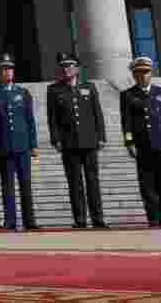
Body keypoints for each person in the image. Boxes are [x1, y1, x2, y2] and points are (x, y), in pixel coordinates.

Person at [46, 52, 109, 229]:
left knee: (92, 182)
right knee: (75, 183)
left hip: (89, 141)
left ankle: (98, 218)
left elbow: (97, 113)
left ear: (78, 68)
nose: (66, 69)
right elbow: (53, 119)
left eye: (70, 65)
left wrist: (101, 136)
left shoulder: (89, 87)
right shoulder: (54, 90)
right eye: (64, 66)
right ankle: (80, 219)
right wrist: (55, 139)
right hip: (69, 143)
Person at [120, 56, 161, 227]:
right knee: (147, 184)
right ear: (134, 75)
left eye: (146, 72)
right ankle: (153, 216)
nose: (143, 76)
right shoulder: (127, 95)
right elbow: (126, 121)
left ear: (151, 73)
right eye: (139, 73)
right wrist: (129, 143)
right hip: (142, 145)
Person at [0, 53, 39, 231]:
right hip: (4, 145)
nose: (8, 72)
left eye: (10, 69)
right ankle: (10, 221)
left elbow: (30, 119)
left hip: (22, 145)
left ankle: (30, 220)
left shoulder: (22, 93)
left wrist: (34, 144)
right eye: (4, 69)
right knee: (7, 185)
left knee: (25, 183)